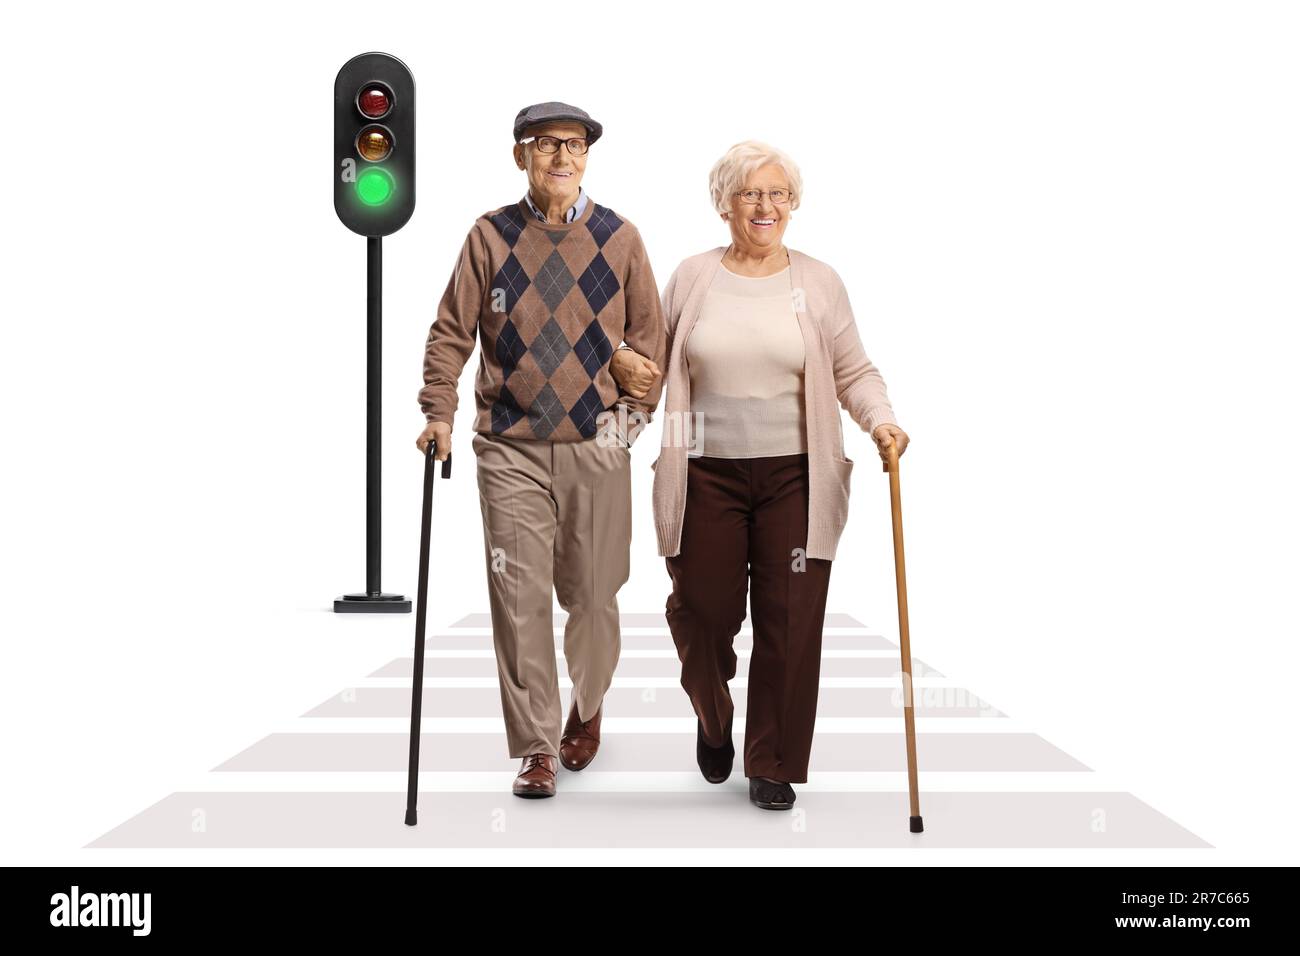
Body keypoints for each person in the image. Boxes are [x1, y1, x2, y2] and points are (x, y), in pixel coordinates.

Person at [611, 140, 910, 810]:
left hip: (796, 479)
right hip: (703, 474)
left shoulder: (818, 281)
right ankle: (714, 717)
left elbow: (854, 371)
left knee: (789, 621)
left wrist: (881, 421)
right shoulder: (693, 276)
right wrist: (612, 436)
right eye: (750, 194)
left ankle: (772, 761)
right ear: (725, 203)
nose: (765, 206)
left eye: (777, 193)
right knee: (702, 615)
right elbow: (651, 371)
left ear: (793, 203)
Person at [417, 102, 666, 799]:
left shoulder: (620, 239)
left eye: (575, 145)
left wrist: (625, 426)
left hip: (595, 446)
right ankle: (535, 746)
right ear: (520, 155)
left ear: (587, 156)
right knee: (518, 597)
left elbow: (652, 343)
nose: (562, 156)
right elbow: (449, 333)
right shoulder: (489, 236)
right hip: (510, 449)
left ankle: (587, 708)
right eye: (546, 144)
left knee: (594, 596)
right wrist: (438, 412)